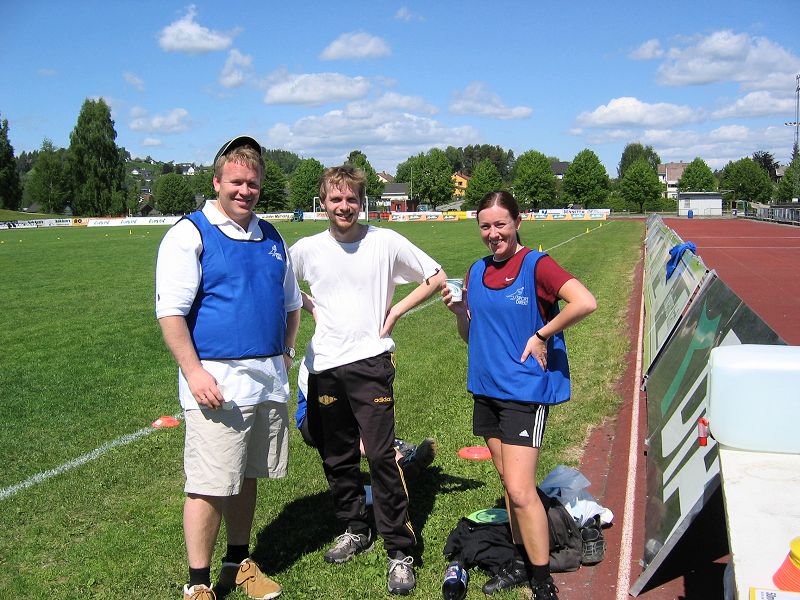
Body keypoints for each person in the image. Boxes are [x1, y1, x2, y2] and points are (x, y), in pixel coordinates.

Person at [155, 135, 302, 600]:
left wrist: (286, 349)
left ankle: (238, 563)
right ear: (217, 182)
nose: (245, 190)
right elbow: (171, 313)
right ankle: (197, 584)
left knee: (247, 476)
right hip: (217, 383)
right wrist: (195, 374)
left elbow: (292, 304)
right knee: (207, 485)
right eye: (236, 181)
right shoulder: (190, 233)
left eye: (253, 183)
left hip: (266, 382)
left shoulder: (273, 236)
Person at [289, 165, 447, 595]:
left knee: (380, 457)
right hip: (324, 366)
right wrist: (308, 305)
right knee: (337, 455)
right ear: (323, 202)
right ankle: (355, 527)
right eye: (335, 199)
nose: (344, 206)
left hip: (371, 363)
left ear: (362, 202)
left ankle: (400, 550)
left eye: (351, 199)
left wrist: (396, 312)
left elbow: (435, 276)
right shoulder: (306, 248)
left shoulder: (385, 241)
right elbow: (277, 281)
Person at [441, 191, 596, 600]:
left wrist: (543, 333)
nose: (493, 234)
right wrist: (460, 314)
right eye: (485, 226)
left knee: (523, 490)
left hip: (523, 392)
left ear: (517, 222)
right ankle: (517, 561)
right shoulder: (476, 271)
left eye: (500, 225)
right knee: (510, 486)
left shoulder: (536, 264)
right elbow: (471, 336)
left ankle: (542, 580)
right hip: (486, 389)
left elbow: (585, 302)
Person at [294, 360, 438, 478]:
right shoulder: (315, 361)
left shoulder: (352, 357)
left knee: (369, 423)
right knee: (352, 431)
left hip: (342, 414)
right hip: (313, 422)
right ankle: (401, 463)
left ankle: (400, 455)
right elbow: (326, 408)